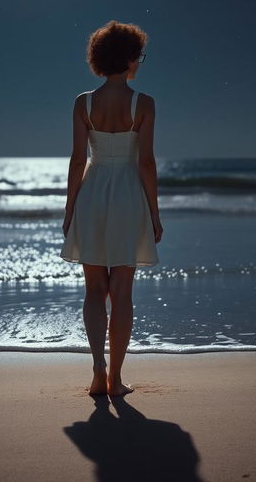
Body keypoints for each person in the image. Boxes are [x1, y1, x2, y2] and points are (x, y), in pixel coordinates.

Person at [60, 20, 163, 397]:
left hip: (92, 191)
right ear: (130, 57)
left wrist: (70, 208)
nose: (141, 61)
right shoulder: (144, 103)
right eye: (140, 55)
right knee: (122, 291)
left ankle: (97, 371)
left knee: (93, 290)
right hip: (127, 195)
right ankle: (116, 380)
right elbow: (146, 163)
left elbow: (76, 160)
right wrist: (154, 212)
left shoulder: (83, 102)